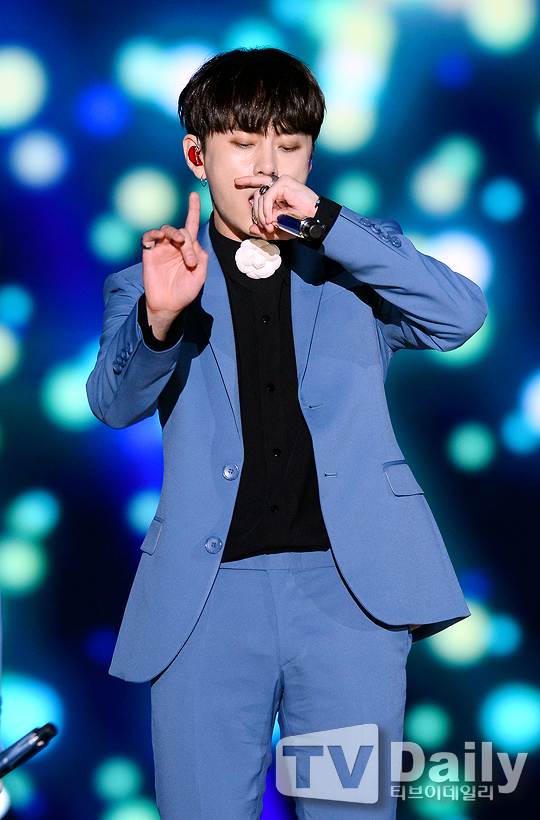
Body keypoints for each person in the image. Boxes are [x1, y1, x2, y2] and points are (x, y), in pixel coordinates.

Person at [87, 48, 487, 820]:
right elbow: (113, 403)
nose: (266, 167)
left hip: (350, 594)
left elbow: (461, 316)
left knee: (349, 810)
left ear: (311, 156)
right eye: (243, 143)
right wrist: (160, 319)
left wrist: (331, 226)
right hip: (204, 600)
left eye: (290, 144)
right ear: (197, 155)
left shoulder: (356, 264)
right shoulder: (147, 282)